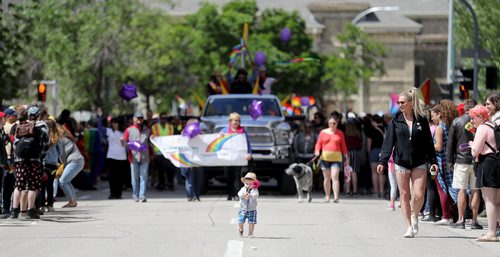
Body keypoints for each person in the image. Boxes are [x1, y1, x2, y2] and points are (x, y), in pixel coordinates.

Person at [377, 88, 438, 238]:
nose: (400, 105)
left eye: (402, 102)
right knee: (404, 194)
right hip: (401, 161)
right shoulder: (396, 119)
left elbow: (428, 143)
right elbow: (388, 141)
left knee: (419, 194)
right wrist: (382, 161)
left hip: (419, 161)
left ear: (411, 103)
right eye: (398, 102)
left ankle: (414, 215)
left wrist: (433, 161)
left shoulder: (421, 120)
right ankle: (408, 227)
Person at [446, 99, 483, 229]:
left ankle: (461, 220)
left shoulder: (457, 121)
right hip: (477, 160)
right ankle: (474, 220)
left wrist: (449, 161)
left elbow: (450, 144)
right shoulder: (481, 121)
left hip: (461, 161)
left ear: (465, 108)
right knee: (475, 190)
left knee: (461, 190)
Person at [10, 105, 50, 219]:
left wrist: (16, 158)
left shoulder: (19, 125)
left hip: (19, 161)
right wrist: (40, 157)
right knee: (32, 185)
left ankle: (14, 211)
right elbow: (46, 144)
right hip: (34, 161)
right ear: (38, 116)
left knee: (19, 185)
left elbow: (15, 144)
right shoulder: (41, 126)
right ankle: (30, 210)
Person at [469, 105, 498, 241]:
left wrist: (471, 145)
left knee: (489, 200)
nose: (472, 121)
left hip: (487, 163)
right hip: (496, 162)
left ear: (480, 117)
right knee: (497, 200)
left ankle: (491, 232)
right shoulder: (492, 126)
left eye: (473, 118)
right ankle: (495, 230)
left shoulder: (482, 128)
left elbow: (476, 151)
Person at [430, 102, 458, 225]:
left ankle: (446, 216)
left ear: (439, 114)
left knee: (441, 188)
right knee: (452, 187)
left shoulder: (440, 128)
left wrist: (428, 145)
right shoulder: (450, 125)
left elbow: (439, 147)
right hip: (449, 160)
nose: (431, 118)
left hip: (440, 162)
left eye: (433, 115)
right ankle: (453, 215)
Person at [314, 115, 348, 203]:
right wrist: (317, 151)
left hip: (336, 158)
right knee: (326, 177)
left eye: (334, 123)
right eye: (330, 123)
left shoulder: (340, 133)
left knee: (335, 177)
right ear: (328, 123)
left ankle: (336, 197)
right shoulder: (323, 132)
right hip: (325, 158)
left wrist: (346, 157)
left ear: (337, 123)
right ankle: (327, 196)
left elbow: (343, 146)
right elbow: (318, 144)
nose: (332, 125)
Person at [221, 112, 252, 200]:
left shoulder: (242, 131)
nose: (236, 122)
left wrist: (249, 153)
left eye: (238, 121)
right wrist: (220, 137)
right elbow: (218, 141)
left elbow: (247, 144)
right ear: (230, 121)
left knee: (237, 177)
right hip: (227, 158)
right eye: (235, 120)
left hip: (238, 158)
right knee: (228, 176)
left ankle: (236, 194)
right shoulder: (224, 131)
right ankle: (229, 194)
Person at [124, 111, 151, 202]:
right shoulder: (129, 130)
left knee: (144, 177)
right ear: (134, 119)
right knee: (134, 178)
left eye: (141, 118)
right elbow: (124, 143)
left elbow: (151, 143)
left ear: (143, 119)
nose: (139, 120)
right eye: (137, 118)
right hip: (133, 157)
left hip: (145, 157)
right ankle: (135, 195)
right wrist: (125, 143)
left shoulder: (147, 130)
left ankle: (142, 195)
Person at [102, 116, 128, 199]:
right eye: (113, 123)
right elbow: (99, 128)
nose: (114, 124)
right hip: (111, 156)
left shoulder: (123, 132)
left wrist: (123, 141)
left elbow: (125, 145)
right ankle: (112, 193)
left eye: (116, 123)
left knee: (119, 176)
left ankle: (118, 194)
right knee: (111, 176)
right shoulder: (109, 131)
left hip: (121, 157)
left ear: (119, 124)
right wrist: (99, 116)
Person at [151, 112, 175, 191]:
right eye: (162, 118)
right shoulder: (154, 127)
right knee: (160, 169)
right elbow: (151, 140)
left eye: (165, 118)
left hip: (169, 151)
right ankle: (161, 184)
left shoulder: (171, 127)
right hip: (159, 151)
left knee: (170, 169)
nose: (164, 120)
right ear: (160, 119)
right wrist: (153, 153)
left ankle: (170, 183)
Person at [180, 119, 202, 201]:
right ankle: (190, 195)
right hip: (188, 161)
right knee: (190, 180)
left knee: (197, 180)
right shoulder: (184, 134)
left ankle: (197, 195)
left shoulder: (200, 135)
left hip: (198, 160)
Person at [367, 114, 386, 197]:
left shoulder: (372, 130)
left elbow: (369, 144)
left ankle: (376, 191)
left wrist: (368, 153)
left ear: (374, 121)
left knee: (374, 173)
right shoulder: (386, 129)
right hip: (383, 152)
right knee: (381, 173)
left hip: (374, 151)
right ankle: (382, 192)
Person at [237, 172, 259, 238]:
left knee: (251, 222)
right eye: (247, 183)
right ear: (244, 183)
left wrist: (250, 195)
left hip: (252, 209)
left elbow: (255, 195)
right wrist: (243, 195)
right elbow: (239, 194)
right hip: (243, 209)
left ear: (254, 183)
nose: (248, 185)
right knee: (240, 221)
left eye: (250, 184)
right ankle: (240, 230)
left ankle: (250, 233)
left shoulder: (255, 190)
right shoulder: (243, 189)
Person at [344, 118, 362, 196]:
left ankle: (348, 191)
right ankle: (355, 191)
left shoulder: (345, 135)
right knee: (354, 172)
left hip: (347, 153)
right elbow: (360, 145)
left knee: (348, 172)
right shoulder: (357, 134)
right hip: (355, 153)